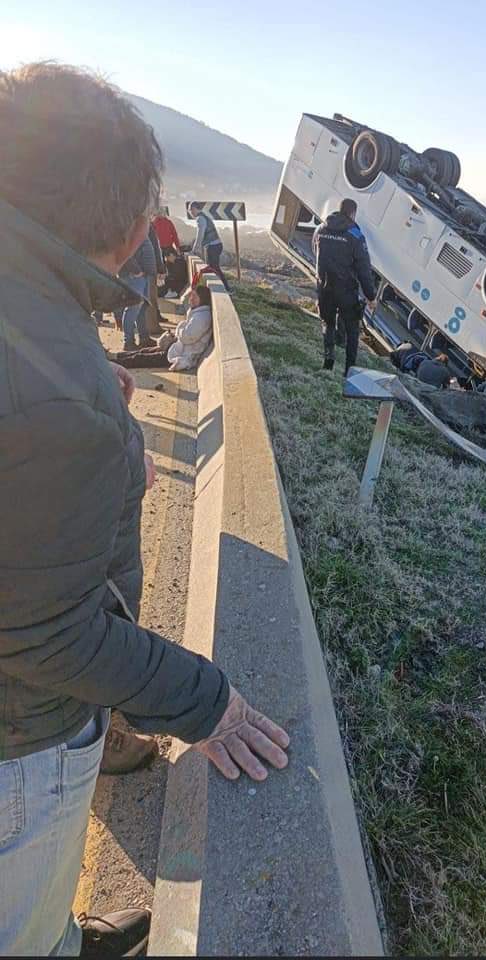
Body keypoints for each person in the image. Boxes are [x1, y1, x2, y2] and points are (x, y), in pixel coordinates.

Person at [0, 63, 289, 958]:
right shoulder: (52, 388)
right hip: (21, 737)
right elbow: (40, 631)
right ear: (132, 233)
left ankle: (61, 922)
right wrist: (204, 702)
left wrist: (82, 392)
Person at [314, 198, 377, 375]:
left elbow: (316, 252)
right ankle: (349, 370)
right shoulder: (355, 235)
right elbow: (364, 269)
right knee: (352, 330)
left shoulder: (321, 229)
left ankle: (328, 363)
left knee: (327, 323)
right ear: (352, 213)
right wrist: (371, 297)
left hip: (324, 286)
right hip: (346, 290)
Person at [112, 285, 213, 371]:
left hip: (181, 354)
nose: (191, 298)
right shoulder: (197, 313)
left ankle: (114, 363)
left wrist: (180, 327)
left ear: (202, 299)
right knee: (145, 351)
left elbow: (187, 337)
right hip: (177, 348)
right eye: (191, 295)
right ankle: (116, 357)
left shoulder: (202, 318)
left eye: (195, 296)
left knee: (142, 358)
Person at [119, 234, 156, 351]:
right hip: (134, 275)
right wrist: (136, 270)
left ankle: (144, 338)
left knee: (141, 308)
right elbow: (123, 249)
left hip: (141, 274)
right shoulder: (128, 226)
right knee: (133, 308)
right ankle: (128, 342)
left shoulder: (137, 226)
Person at [189, 201, 229, 289]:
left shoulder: (200, 218)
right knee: (213, 268)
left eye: (191, 210)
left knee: (214, 268)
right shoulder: (204, 216)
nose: (190, 212)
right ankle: (220, 288)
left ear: (195, 209)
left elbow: (200, 235)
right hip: (216, 245)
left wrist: (194, 250)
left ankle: (226, 288)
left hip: (213, 246)